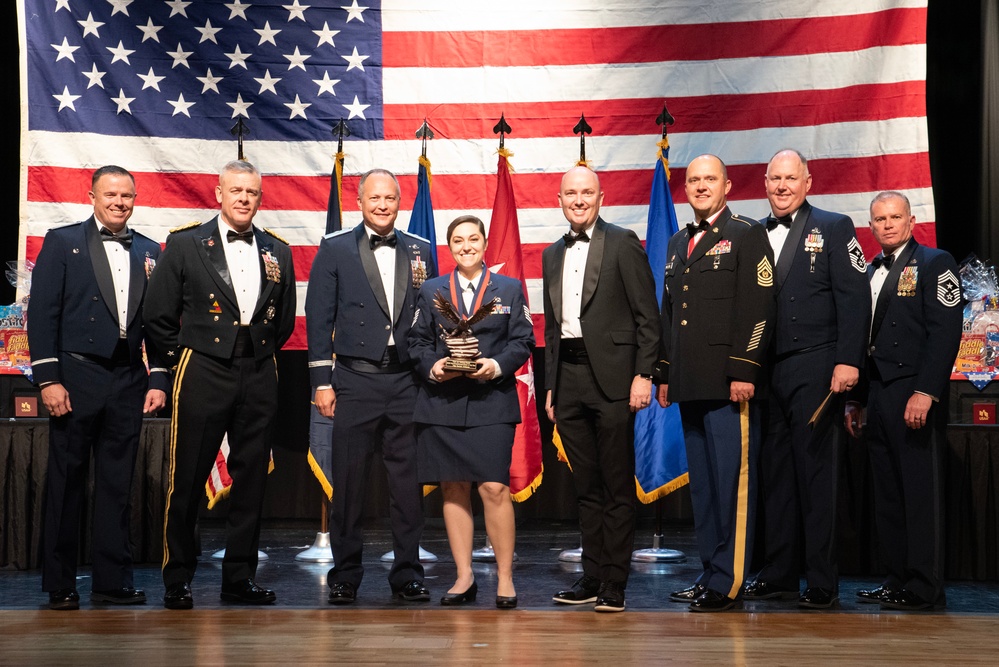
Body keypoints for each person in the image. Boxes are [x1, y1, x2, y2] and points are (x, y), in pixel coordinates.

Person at [144, 160, 296, 609]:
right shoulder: (187, 243)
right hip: (204, 367)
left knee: (251, 480)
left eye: (252, 192)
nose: (244, 198)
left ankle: (239, 578)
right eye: (236, 190)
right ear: (219, 193)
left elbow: (283, 320)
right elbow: (158, 314)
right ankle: (178, 577)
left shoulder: (277, 250)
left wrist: (256, 350)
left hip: (260, 368)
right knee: (187, 478)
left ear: (260, 198)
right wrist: (188, 355)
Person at [28, 165, 169, 610]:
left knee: (116, 484)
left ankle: (112, 580)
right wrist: (49, 379)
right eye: (110, 194)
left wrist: (159, 377)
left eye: (126, 195)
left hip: (128, 379)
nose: (118, 202)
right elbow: (42, 314)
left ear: (135, 199)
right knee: (67, 483)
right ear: (92, 196)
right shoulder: (63, 241)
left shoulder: (149, 250)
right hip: (75, 377)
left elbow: (159, 322)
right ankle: (60, 583)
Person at [742, 149, 871, 609]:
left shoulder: (834, 227)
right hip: (767, 370)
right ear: (764, 182)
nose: (782, 186)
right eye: (774, 178)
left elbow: (855, 298)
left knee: (816, 476)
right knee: (774, 475)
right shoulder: (752, 232)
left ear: (808, 182)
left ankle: (821, 579)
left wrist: (849, 360)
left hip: (817, 366)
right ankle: (778, 572)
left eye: (790, 178)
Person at [305, 168, 436, 605]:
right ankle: (344, 575)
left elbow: (431, 319)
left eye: (390, 199)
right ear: (360, 201)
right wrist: (322, 382)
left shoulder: (421, 250)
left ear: (400, 202)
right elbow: (319, 320)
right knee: (349, 484)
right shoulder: (335, 248)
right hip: (354, 380)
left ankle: (408, 574)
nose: (382, 206)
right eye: (374, 198)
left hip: (406, 381)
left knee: (407, 487)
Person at [658, 154, 776, 612]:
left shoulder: (747, 234)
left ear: (727, 186)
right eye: (694, 180)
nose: (701, 186)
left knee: (734, 484)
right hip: (690, 383)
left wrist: (745, 369)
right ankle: (710, 571)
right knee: (705, 487)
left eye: (710, 179)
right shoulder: (676, 243)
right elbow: (671, 315)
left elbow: (759, 308)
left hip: (729, 384)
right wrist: (665, 373)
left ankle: (729, 582)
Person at [542, 166, 661, 613]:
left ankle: (615, 582)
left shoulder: (623, 241)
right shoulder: (552, 253)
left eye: (586, 192)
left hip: (613, 378)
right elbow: (553, 331)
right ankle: (591, 577)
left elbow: (647, 316)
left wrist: (643, 373)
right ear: (559, 198)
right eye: (570, 192)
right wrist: (551, 388)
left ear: (600, 196)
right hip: (568, 381)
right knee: (585, 486)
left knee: (615, 485)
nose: (578, 199)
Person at [409, 215, 535, 609]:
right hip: (442, 402)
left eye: (473, 239)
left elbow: (523, 340)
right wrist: (434, 367)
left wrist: (495, 366)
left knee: (494, 488)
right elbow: (416, 341)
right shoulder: (430, 290)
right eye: (458, 240)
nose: (466, 246)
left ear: (483, 245)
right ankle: (463, 577)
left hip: (491, 400)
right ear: (449, 247)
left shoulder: (509, 289)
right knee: (452, 486)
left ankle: (504, 578)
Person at [844, 191, 962, 610]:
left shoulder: (935, 263)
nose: (888, 224)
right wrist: (856, 401)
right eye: (880, 219)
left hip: (914, 392)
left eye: (895, 217)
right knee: (889, 493)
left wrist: (926, 391)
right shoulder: (870, 271)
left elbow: (946, 333)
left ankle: (924, 586)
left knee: (918, 493)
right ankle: (895, 578)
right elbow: (861, 339)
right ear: (871, 226)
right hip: (877, 393)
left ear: (911, 221)